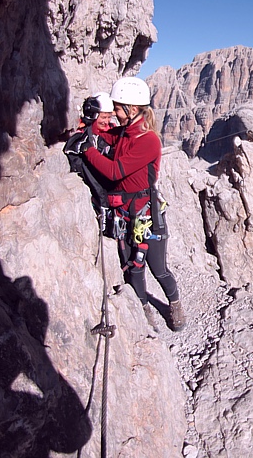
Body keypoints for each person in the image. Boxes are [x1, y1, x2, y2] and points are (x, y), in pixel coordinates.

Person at [72, 76, 185, 333]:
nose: (114, 112)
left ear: (131, 109)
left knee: (158, 268)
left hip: (147, 216)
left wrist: (87, 150)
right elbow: (103, 133)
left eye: (117, 108)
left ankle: (175, 304)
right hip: (124, 215)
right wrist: (88, 125)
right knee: (133, 269)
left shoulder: (148, 140)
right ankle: (144, 312)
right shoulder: (125, 132)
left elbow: (115, 172)